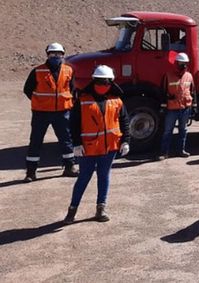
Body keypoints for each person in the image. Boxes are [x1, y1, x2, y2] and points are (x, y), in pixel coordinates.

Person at [63, 65, 130, 224]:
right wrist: (77, 144)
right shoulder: (82, 100)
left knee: (104, 176)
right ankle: (72, 210)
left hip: (109, 148)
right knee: (84, 177)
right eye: (99, 82)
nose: (102, 86)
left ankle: (101, 209)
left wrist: (126, 140)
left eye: (106, 83)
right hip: (88, 148)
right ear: (93, 81)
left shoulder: (117, 100)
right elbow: (73, 124)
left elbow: (124, 121)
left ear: (111, 83)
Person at [22, 42, 78, 182]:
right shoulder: (38, 71)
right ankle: (31, 172)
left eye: (59, 54)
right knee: (35, 141)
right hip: (41, 113)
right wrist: (40, 102)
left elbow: (72, 90)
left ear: (63, 55)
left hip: (62, 112)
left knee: (66, 140)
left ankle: (69, 167)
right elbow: (28, 90)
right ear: (47, 55)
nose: (56, 56)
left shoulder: (68, 70)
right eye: (53, 54)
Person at [159, 52, 196, 160]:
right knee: (167, 131)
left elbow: (193, 92)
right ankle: (164, 152)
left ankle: (181, 150)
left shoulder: (189, 76)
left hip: (185, 109)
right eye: (181, 62)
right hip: (172, 109)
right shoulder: (168, 75)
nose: (183, 65)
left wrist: (194, 106)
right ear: (176, 62)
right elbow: (163, 91)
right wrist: (163, 106)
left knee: (183, 130)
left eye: (185, 63)